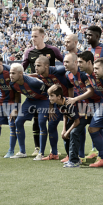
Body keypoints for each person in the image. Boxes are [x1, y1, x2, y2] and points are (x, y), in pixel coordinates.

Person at [22, 27, 63, 156]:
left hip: (51, 90)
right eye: (32, 36)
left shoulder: (53, 50)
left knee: (51, 119)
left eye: (35, 36)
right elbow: (22, 70)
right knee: (37, 119)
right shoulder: (29, 52)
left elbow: (65, 62)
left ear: (42, 36)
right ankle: (37, 147)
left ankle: (52, 148)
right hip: (36, 90)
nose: (33, 39)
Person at [63, 52, 100, 164]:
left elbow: (91, 91)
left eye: (67, 62)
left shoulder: (84, 74)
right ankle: (76, 158)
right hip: (84, 105)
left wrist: (74, 99)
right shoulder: (67, 75)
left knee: (101, 129)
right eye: (64, 61)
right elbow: (71, 89)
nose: (64, 64)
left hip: (98, 104)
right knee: (77, 129)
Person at [9, 63, 50, 160]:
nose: (11, 75)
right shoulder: (12, 83)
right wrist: (15, 108)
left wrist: (51, 106)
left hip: (43, 100)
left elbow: (49, 91)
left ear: (20, 73)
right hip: (30, 101)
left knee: (41, 122)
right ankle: (22, 152)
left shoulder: (33, 82)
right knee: (18, 121)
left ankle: (41, 153)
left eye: (13, 73)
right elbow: (16, 95)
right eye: (10, 73)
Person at [34, 56, 70, 160]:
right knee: (51, 125)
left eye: (38, 65)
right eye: (35, 65)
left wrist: (72, 100)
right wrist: (50, 107)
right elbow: (48, 92)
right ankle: (54, 153)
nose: (36, 67)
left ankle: (72, 154)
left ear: (46, 66)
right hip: (57, 104)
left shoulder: (57, 71)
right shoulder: (41, 76)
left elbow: (71, 67)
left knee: (69, 128)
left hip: (69, 102)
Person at [85, 25, 103, 159]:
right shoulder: (88, 50)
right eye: (87, 35)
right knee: (94, 121)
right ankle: (95, 148)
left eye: (90, 35)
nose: (87, 37)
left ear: (97, 36)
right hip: (93, 90)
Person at [47, 84, 81, 168]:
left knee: (72, 134)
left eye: (52, 96)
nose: (49, 98)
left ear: (58, 96)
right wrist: (64, 130)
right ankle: (71, 158)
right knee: (65, 137)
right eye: (49, 96)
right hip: (72, 119)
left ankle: (75, 161)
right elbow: (64, 114)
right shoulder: (58, 103)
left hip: (81, 118)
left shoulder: (69, 104)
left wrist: (68, 132)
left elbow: (77, 121)